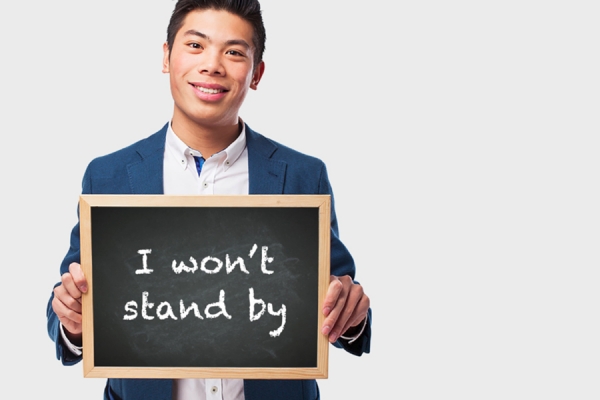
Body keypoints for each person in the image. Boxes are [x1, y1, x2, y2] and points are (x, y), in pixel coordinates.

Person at [46, 0, 372, 399]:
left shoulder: (302, 176)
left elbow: (341, 301)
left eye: (234, 52)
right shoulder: (109, 176)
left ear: (256, 74)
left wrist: (351, 315)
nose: (213, 65)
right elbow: (66, 305)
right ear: (167, 57)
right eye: (196, 45)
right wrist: (71, 321)